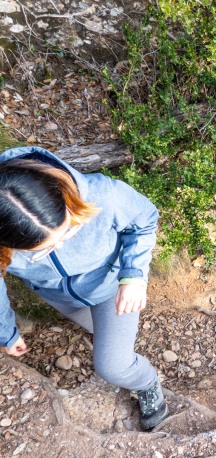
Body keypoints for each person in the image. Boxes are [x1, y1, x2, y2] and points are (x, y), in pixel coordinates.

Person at [0, 146, 167, 430]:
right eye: (44, 248)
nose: (61, 244)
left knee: (113, 365)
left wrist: (134, 276)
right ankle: (108, 333)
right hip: (58, 296)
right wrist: (6, 332)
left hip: (112, 289)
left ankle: (147, 382)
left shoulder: (104, 195)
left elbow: (145, 219)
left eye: (68, 229)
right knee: (95, 328)